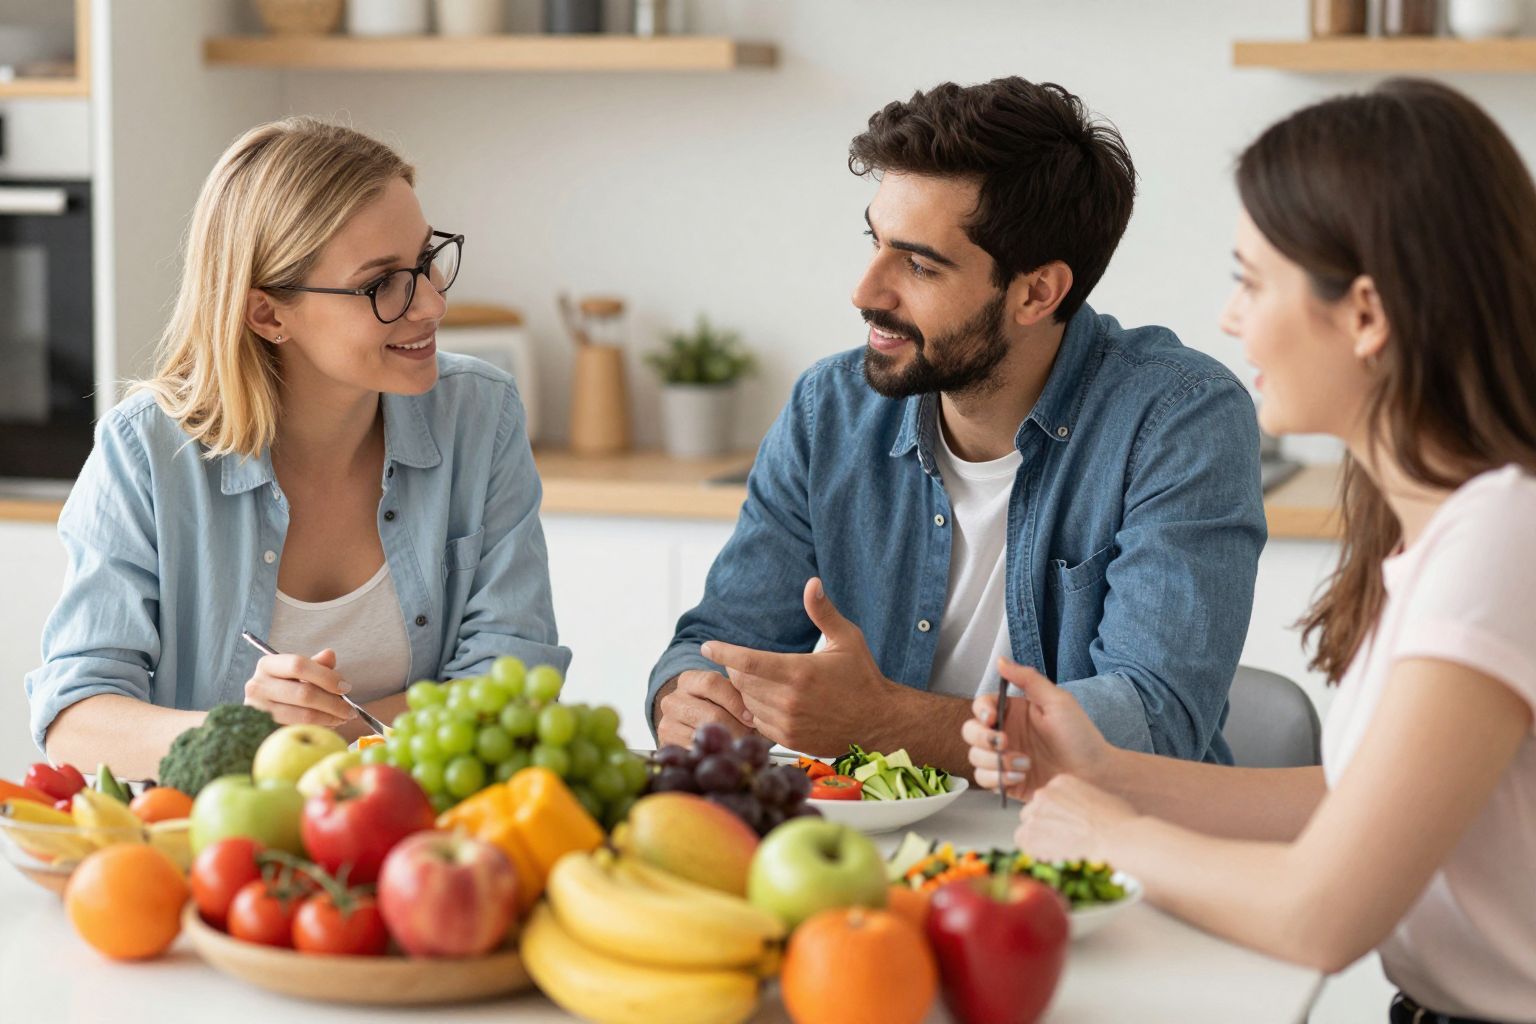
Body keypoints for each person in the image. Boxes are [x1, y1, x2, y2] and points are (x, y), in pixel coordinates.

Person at [965, 79, 1536, 1024]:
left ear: (1364, 314)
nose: (1231, 319)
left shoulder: (1500, 543)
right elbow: (1355, 803)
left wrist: (1110, 832)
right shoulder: (1450, 527)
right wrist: (1103, 770)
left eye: (1250, 280)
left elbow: (1320, 915)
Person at [648, 77, 1267, 772]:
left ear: (1036, 292)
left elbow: (1155, 722)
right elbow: (716, 642)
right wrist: (687, 696)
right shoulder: (831, 409)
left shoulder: (1178, 418)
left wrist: (885, 724)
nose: (865, 292)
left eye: (918, 264)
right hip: (881, 852)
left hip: (1104, 852)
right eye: (875, 242)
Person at [26, 118, 567, 779]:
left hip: (422, 841)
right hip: (208, 852)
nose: (430, 303)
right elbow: (75, 718)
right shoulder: (145, 452)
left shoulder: (479, 415)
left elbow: (514, 677)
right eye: (382, 284)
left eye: (427, 261)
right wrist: (251, 735)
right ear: (268, 315)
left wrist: (335, 737)